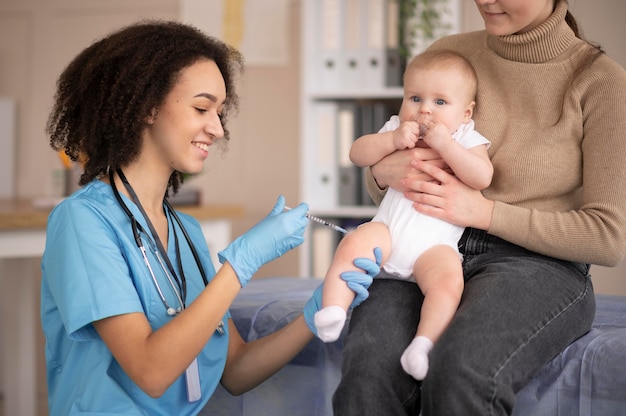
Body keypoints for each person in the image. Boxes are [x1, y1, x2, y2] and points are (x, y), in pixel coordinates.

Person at [40, 20, 380, 416]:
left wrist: (316, 311)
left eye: (220, 112)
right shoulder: (83, 221)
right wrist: (241, 264)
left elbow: (236, 371)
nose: (217, 129)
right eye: (202, 108)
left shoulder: (186, 232)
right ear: (147, 105)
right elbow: (150, 370)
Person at [332, 0, 626, 415]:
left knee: (460, 370)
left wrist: (484, 213)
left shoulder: (602, 83)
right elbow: (389, 164)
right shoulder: (451, 53)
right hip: (424, 243)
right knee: (367, 373)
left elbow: (608, 237)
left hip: (537, 265)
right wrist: (385, 173)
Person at [313, 50, 492, 382]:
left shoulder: (465, 137)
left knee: (449, 285)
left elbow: (482, 177)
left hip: (434, 248)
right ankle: (334, 309)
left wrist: (446, 146)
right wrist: (391, 140)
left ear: (465, 113)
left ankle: (423, 346)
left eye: (440, 102)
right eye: (415, 97)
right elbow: (356, 153)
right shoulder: (397, 127)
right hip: (388, 234)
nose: (424, 109)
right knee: (355, 242)